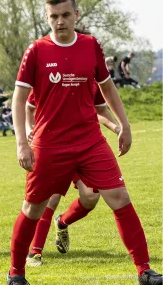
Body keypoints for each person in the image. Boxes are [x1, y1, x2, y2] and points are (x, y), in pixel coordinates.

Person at [8, 0, 161, 285]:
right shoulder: (36, 51)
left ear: (76, 15)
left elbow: (107, 89)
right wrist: (22, 143)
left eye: (65, 15)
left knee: (120, 198)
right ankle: (16, 272)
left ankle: (144, 271)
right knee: (33, 209)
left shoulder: (91, 46)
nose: (60, 21)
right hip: (49, 145)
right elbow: (19, 99)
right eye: (54, 16)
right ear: (47, 17)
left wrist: (124, 125)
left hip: (90, 142)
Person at [24, 88, 121, 266]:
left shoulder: (89, 79)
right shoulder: (49, 74)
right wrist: (30, 130)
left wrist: (117, 128)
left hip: (82, 146)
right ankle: (35, 252)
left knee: (91, 197)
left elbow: (99, 110)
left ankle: (62, 222)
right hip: (52, 146)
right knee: (50, 198)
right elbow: (28, 107)